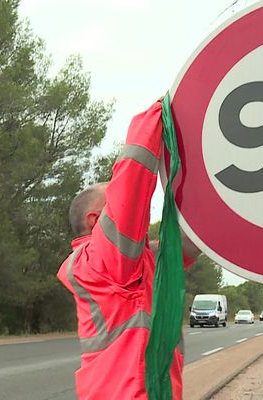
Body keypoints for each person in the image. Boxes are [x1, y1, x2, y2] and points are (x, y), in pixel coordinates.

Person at [57, 100, 200, 399]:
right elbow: (131, 188)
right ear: (95, 220)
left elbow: (196, 238)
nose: (121, 215)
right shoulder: (97, 262)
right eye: (111, 209)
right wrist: (157, 116)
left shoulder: (140, 261)